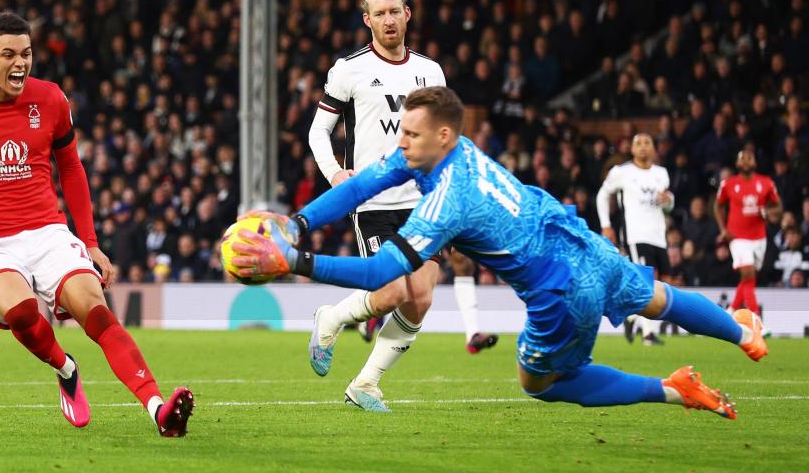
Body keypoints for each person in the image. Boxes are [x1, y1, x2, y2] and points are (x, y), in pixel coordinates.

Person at [232, 87, 767, 418]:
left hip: (561, 290)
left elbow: (379, 271)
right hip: (583, 243)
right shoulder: (448, 149)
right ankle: (744, 332)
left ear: (441, 135)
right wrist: (299, 222)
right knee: (658, 298)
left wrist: (296, 262)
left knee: (540, 382)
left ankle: (671, 389)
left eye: (410, 136)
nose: (401, 144)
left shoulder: (447, 201)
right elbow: (358, 187)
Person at [0, 12, 193, 437]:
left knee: (97, 311)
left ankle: (158, 409)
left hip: (47, 232)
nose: (20, 63)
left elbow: (72, 169)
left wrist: (91, 243)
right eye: (9, 54)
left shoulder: (51, 100)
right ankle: (66, 369)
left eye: (26, 53)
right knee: (23, 311)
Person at [306, 0, 496, 412]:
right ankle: (331, 317)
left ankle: (367, 383)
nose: (388, 20)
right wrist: (335, 173)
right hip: (373, 201)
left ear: (408, 14)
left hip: (423, 203)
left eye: (395, 11)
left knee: (422, 296)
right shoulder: (348, 69)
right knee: (392, 291)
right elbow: (319, 130)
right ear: (367, 20)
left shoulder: (431, 72)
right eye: (380, 14)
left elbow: (446, 139)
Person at [596, 133, 674, 345]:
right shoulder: (622, 172)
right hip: (635, 235)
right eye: (638, 143)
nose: (642, 147)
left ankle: (631, 317)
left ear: (654, 148)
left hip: (658, 235)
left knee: (664, 281)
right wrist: (606, 225)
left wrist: (668, 200)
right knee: (645, 282)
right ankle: (648, 333)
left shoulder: (661, 173)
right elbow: (602, 195)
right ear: (631, 149)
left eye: (647, 143)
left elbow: (668, 205)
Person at [714, 150, 781, 316]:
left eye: (749, 158)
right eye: (742, 159)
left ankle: (730, 311)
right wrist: (723, 230)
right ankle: (756, 318)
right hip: (737, 237)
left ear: (755, 163)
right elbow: (717, 206)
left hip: (759, 237)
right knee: (748, 272)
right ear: (737, 164)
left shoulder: (766, 183)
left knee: (748, 278)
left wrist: (768, 211)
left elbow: (778, 207)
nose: (745, 161)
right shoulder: (728, 184)